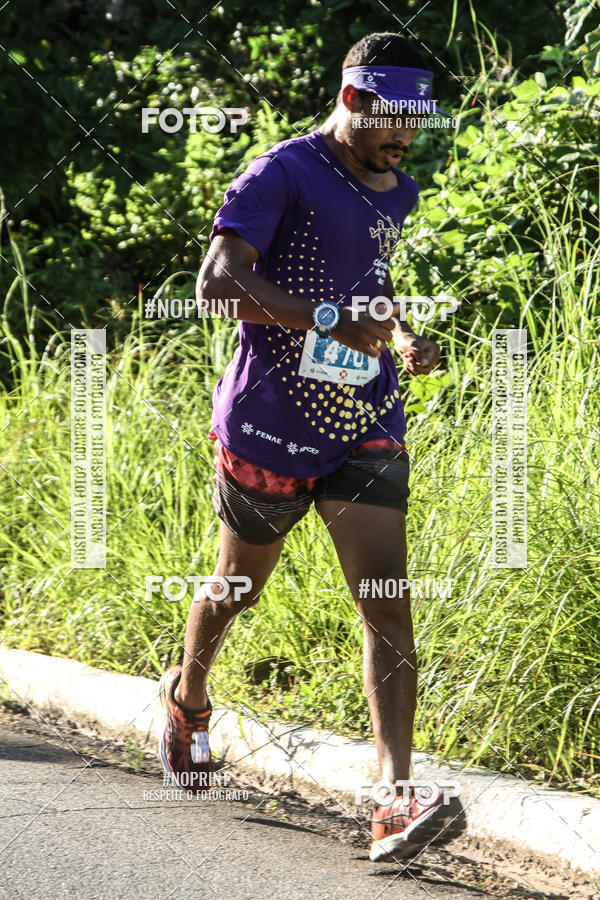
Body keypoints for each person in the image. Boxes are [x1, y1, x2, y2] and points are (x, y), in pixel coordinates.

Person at [159, 31, 463, 861]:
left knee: (387, 600)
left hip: (361, 417)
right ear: (355, 100)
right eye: (393, 121)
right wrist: (331, 320)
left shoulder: (394, 189)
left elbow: (371, 283)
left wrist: (402, 334)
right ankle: (187, 696)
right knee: (236, 589)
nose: (406, 139)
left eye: (417, 125)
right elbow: (216, 285)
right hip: (269, 422)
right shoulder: (281, 171)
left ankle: (394, 798)